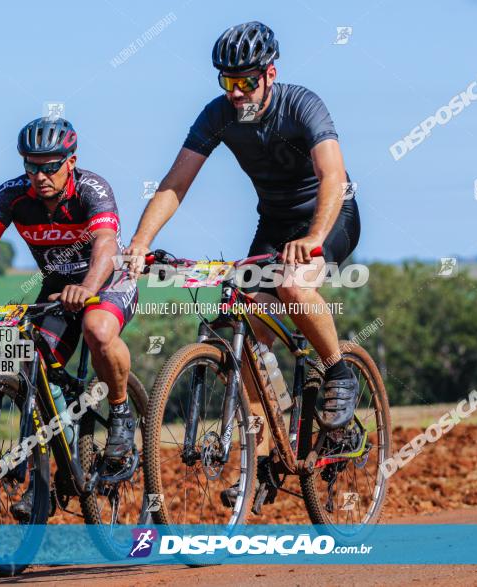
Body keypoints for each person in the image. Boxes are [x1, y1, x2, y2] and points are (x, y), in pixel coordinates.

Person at [124, 21, 362, 495]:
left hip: (328, 214)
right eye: (226, 82)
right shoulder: (218, 115)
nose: (236, 92)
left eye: (245, 81)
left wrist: (314, 237)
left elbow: (332, 176)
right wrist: (140, 241)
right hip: (274, 223)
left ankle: (339, 370)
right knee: (240, 328)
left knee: (293, 284)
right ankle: (267, 457)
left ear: (270, 74)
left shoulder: (302, 105)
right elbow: (175, 183)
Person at [0, 117, 138, 519]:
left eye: (50, 166)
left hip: (108, 277)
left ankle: (120, 410)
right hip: (58, 288)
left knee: (97, 329)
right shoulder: (13, 194)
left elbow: (105, 244)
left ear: (71, 161)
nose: (41, 175)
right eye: (32, 165)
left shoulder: (91, 189)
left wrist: (87, 288)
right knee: (31, 365)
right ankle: (47, 477)